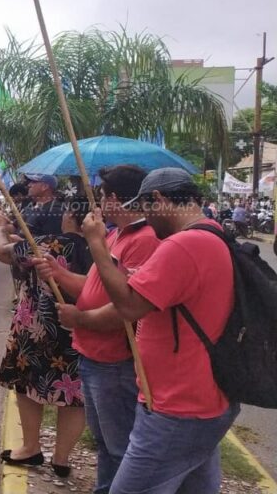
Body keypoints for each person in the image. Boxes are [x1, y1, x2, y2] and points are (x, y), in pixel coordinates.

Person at [82, 168, 238, 493]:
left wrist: (97, 244)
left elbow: (128, 306)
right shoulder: (213, 232)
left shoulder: (184, 245)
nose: (146, 219)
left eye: (147, 208)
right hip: (204, 400)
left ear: (159, 199)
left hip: (177, 408)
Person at [34, 165, 158, 494]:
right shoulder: (114, 234)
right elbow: (92, 287)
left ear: (115, 199)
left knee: (119, 447)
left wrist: (80, 319)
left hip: (115, 363)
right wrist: (58, 274)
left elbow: (126, 308)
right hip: (92, 356)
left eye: (102, 195)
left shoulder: (144, 240)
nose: (98, 202)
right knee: (104, 442)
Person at [0, 196, 92, 478]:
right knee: (74, 393)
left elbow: (2, 252)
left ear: (72, 214)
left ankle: (30, 447)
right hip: (82, 326)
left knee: (27, 385)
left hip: (38, 327)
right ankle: (61, 458)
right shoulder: (102, 245)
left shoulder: (48, 244)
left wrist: (0, 227)